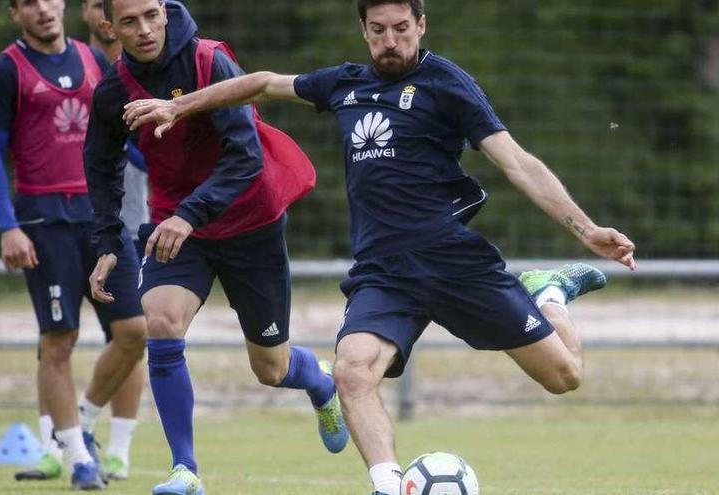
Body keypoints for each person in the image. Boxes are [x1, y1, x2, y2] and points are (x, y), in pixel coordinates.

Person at [122, 1, 638, 494]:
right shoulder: (346, 84)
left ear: (421, 25)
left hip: (452, 261)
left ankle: (548, 293)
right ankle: (388, 486)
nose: (389, 41)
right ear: (364, 31)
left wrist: (585, 229)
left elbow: (518, 162)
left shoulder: (447, 83)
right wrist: (180, 105)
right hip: (383, 272)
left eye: (400, 29)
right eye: (377, 31)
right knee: (351, 370)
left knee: (564, 376)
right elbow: (261, 84)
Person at [83, 1, 350, 494]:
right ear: (108, 27)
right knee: (159, 320)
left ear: (164, 12)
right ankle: (185, 471)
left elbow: (246, 156)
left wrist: (190, 213)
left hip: (250, 221)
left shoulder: (210, 61)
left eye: (150, 16)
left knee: (271, 368)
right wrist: (107, 242)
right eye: (128, 22)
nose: (143, 30)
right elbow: (101, 168)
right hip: (175, 226)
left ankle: (320, 382)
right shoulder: (114, 91)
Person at [0, 0, 148, 489]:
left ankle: (86, 424)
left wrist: (176, 161)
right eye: (29, 2)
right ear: (15, 14)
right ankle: (78, 460)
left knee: (135, 332)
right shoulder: (4, 70)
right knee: (58, 341)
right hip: (43, 221)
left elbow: (123, 138)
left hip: (103, 219)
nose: (44, 9)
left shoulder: (95, 62)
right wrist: (8, 226)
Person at [77, 0, 149, 482]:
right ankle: (60, 441)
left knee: (134, 335)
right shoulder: (73, 65)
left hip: (133, 223)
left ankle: (117, 449)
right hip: (70, 219)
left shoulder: (147, 68)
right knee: (56, 340)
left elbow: (147, 151)